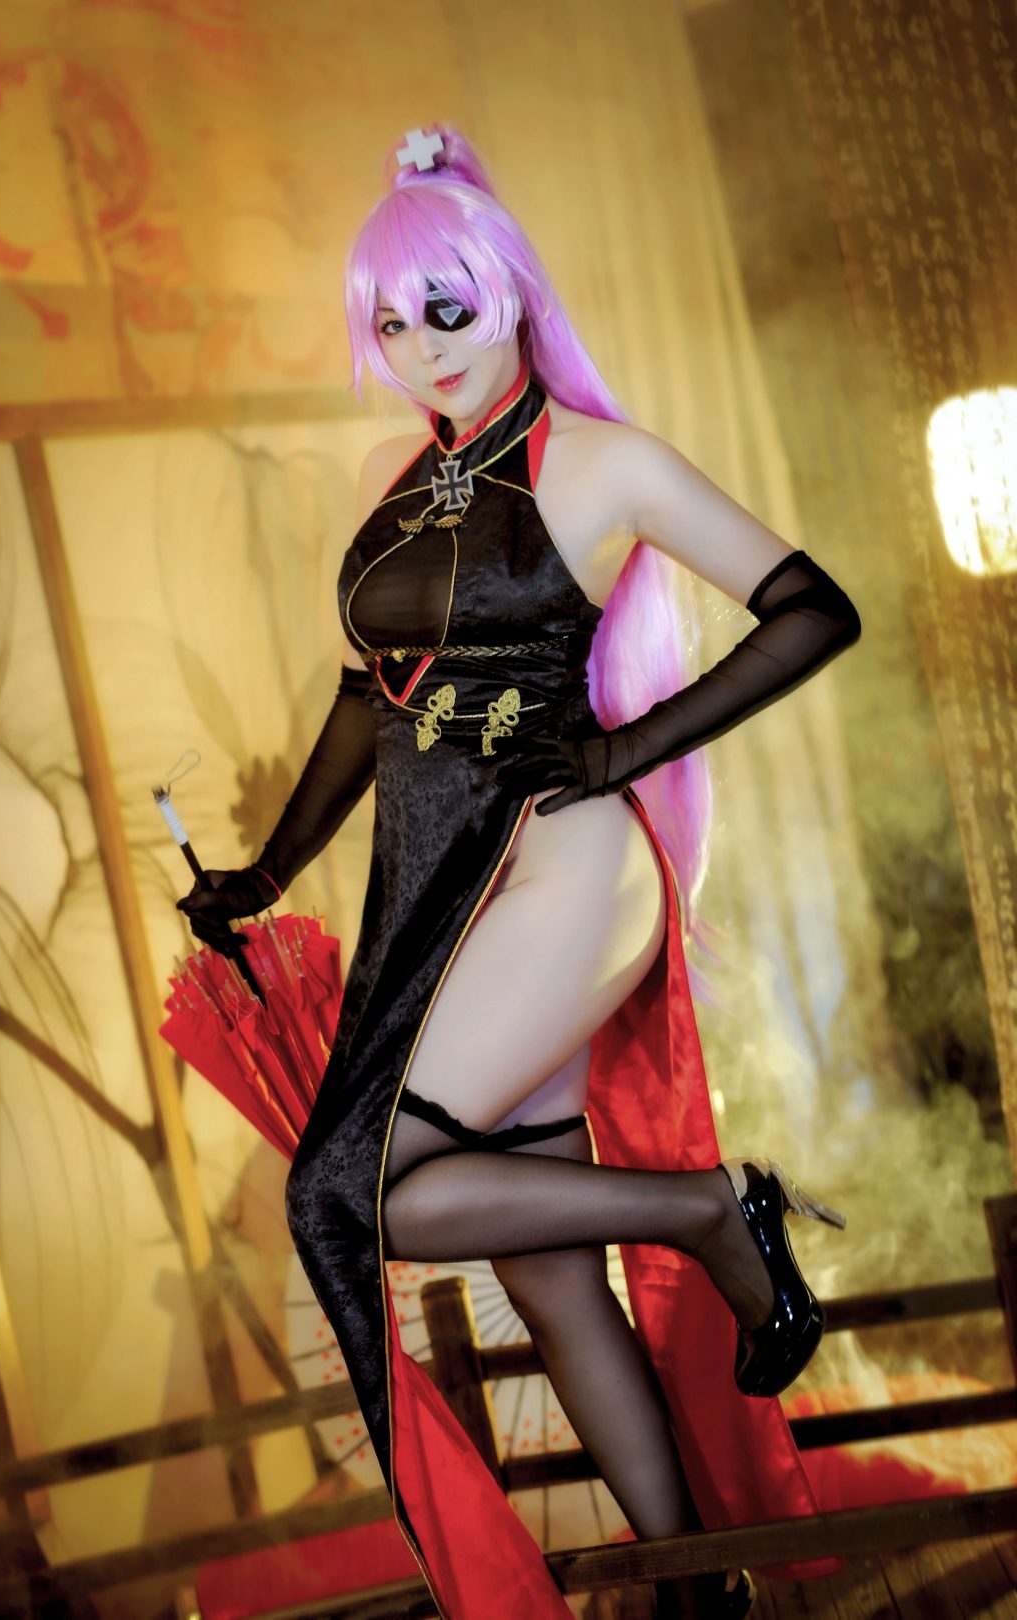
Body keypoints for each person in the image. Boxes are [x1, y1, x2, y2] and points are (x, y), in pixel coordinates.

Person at [177, 125, 860, 1620]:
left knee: (358, 1192)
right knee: (549, 1272)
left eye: (447, 309)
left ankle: (707, 1212)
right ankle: (701, 1589)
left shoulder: (609, 464)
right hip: (453, 890)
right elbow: (368, 698)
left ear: (512, 292)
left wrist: (624, 755)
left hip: (569, 875)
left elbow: (816, 610)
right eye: (388, 323)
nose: (422, 349)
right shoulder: (393, 475)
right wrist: (269, 871)